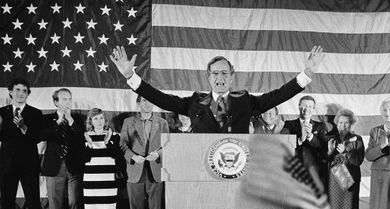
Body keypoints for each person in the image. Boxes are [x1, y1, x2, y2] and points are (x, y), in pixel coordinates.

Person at [109, 45, 324, 133]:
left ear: (231, 77)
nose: (220, 78)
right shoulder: (194, 102)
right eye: (215, 73)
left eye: (224, 73)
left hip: (238, 168)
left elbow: (279, 95)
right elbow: (160, 98)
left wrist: (306, 74)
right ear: (208, 77)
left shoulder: (246, 101)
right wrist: (130, 76)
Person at [120, 96, 169, 209]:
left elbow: (168, 144)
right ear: (139, 103)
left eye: (151, 101)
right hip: (135, 170)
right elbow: (122, 144)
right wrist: (133, 157)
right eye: (145, 101)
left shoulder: (162, 123)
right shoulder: (128, 122)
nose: (148, 104)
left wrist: (159, 154)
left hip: (155, 171)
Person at [40, 88, 86, 209]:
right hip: (54, 167)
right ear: (56, 102)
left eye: (69, 99)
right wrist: (58, 122)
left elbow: (82, 138)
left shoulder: (78, 119)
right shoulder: (47, 119)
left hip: (74, 167)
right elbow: (41, 135)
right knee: (55, 205)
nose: (67, 102)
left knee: (75, 203)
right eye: (64, 99)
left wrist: (70, 121)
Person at [0, 78, 43, 209]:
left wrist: (24, 127)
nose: (20, 93)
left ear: (28, 94)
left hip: (29, 164)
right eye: (17, 90)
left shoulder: (35, 113)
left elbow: (37, 137)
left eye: (24, 91)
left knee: (33, 202)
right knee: (7, 203)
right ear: (10, 92)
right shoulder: (1, 112)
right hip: (7, 164)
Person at [322, 108, 364, 209]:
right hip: (334, 179)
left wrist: (346, 151)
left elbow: (358, 161)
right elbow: (324, 160)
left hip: (349, 179)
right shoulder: (330, 137)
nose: (343, 125)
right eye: (340, 122)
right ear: (336, 123)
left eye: (346, 123)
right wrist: (330, 151)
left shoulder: (357, 139)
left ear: (351, 124)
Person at [83, 108, 122, 209]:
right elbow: (83, 159)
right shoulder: (85, 136)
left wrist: (108, 142)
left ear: (105, 121)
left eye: (101, 118)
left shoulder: (113, 135)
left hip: (108, 178)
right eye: (95, 119)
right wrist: (89, 144)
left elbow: (117, 155)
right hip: (91, 179)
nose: (98, 121)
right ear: (90, 121)